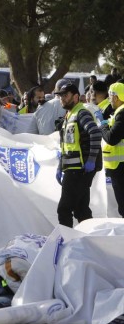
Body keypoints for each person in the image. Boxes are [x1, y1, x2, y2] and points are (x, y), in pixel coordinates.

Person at [54, 81, 102, 228]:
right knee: (81, 210)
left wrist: (91, 160)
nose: (62, 98)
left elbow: (95, 133)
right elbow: (65, 146)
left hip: (79, 169)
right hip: (73, 168)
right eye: (60, 95)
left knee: (64, 209)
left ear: (75, 97)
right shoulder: (69, 116)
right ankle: (90, 241)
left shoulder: (81, 113)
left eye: (65, 95)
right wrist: (60, 166)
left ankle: (66, 242)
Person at [99, 82, 124, 218]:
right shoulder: (119, 112)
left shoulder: (122, 113)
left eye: (110, 96)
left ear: (117, 97)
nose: (109, 99)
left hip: (120, 167)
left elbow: (112, 138)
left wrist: (103, 126)